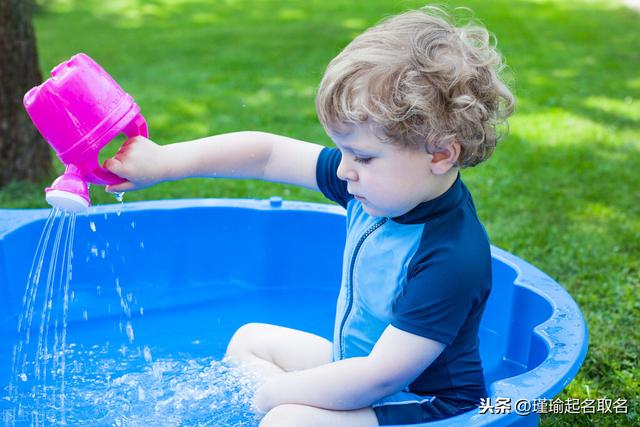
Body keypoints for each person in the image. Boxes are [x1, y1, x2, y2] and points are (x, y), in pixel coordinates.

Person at [104, 5, 515, 426]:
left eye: (363, 156)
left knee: (287, 419)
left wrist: (276, 397)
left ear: (441, 153)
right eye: (344, 151)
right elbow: (267, 154)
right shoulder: (370, 187)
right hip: (359, 365)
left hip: (426, 405)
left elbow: (382, 376)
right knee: (251, 342)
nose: (342, 170)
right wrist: (165, 163)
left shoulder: (451, 256)